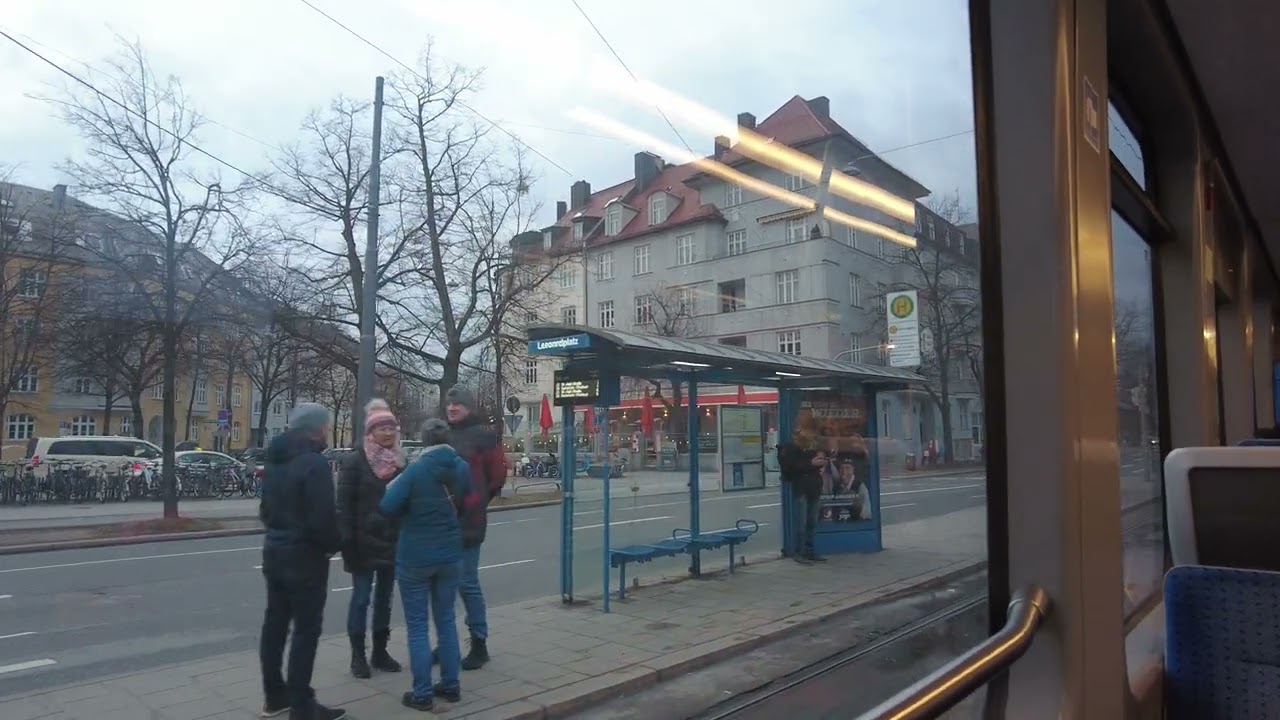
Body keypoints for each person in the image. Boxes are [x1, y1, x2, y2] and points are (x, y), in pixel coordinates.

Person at [258, 403, 346, 720]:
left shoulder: (274, 459)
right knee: (306, 631)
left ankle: (274, 696)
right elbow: (323, 519)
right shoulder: (314, 463)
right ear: (318, 428)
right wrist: (332, 545)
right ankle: (302, 704)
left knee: (275, 625)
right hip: (306, 558)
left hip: (275, 552)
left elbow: (265, 511)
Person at [378, 418, 472, 712]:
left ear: (425, 440)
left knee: (418, 626)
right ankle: (451, 685)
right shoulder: (462, 467)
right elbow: (467, 502)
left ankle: (422, 693)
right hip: (450, 554)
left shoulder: (417, 470)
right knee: (446, 620)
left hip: (415, 557)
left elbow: (387, 506)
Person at [337, 399, 405, 679]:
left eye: (391, 428)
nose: (387, 433)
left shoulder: (400, 462)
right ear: (370, 432)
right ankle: (358, 656)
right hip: (361, 545)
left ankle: (380, 651)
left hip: (392, 542)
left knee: (385, 599)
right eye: (382, 428)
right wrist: (347, 544)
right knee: (361, 599)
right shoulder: (354, 461)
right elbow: (343, 507)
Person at [443, 386, 508, 670]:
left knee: (467, 583)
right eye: (449, 404)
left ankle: (479, 643)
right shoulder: (444, 434)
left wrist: (477, 501)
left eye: (458, 404)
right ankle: (446, 643)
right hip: (440, 523)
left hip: (468, 521)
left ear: (468, 407)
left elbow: (497, 477)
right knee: (443, 585)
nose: (452, 408)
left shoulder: (483, 437)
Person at [777, 428, 828, 564]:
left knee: (812, 522)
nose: (811, 435)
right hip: (801, 488)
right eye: (808, 432)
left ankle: (809, 551)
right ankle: (798, 552)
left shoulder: (811, 447)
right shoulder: (791, 448)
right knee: (802, 523)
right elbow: (790, 467)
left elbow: (814, 465)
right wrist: (811, 463)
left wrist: (820, 462)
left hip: (814, 487)